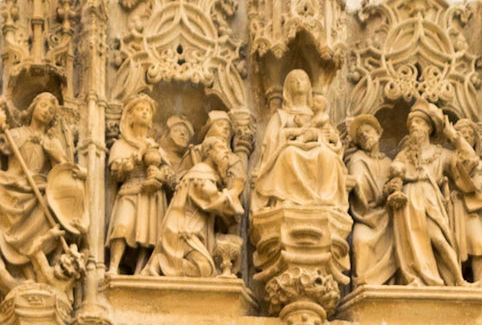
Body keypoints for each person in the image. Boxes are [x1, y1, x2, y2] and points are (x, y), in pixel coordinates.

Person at [0, 91, 85, 287]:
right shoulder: (14, 135)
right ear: (33, 107)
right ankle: (26, 275)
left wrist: (59, 157)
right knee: (13, 237)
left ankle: (40, 273)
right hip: (13, 194)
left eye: (51, 110)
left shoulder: (52, 142)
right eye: (44, 105)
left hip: (39, 192)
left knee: (51, 212)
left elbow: (64, 173)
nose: (47, 111)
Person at [148, 114, 245, 279]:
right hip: (182, 233)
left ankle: (166, 263)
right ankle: (162, 262)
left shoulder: (205, 173)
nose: (226, 154)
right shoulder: (200, 174)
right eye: (221, 149)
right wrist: (234, 191)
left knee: (206, 268)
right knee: (204, 270)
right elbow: (214, 201)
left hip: (191, 232)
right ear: (209, 152)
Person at [251, 68, 349, 222]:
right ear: (287, 88)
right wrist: (299, 132)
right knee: (289, 155)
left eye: (302, 79)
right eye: (293, 80)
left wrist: (329, 139)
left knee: (328, 156)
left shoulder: (318, 114)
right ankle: (288, 198)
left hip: (317, 148)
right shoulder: (281, 115)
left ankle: (324, 199)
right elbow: (273, 140)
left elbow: (332, 140)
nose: (298, 82)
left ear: (309, 87)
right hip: (291, 148)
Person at [387, 103, 461, 286]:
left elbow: (468, 163)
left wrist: (455, 138)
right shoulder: (405, 155)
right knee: (412, 241)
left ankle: (459, 280)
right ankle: (416, 277)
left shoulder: (440, 153)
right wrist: (393, 188)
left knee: (439, 238)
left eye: (419, 122)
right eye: (411, 123)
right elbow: (392, 179)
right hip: (409, 202)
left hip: (430, 197)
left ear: (429, 127)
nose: (414, 126)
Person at [105, 95, 169, 275]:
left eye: (148, 111)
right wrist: (133, 159)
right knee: (122, 226)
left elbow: (171, 176)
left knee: (149, 234)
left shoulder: (156, 148)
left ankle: (141, 271)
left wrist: (160, 176)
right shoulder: (121, 144)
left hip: (151, 196)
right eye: (140, 109)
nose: (145, 112)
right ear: (130, 117)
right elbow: (116, 172)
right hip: (130, 191)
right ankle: (113, 267)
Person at [345, 114, 396, 286]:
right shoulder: (357, 159)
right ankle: (363, 286)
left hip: (388, 217)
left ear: (379, 133)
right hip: (366, 217)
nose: (365, 136)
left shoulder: (390, 162)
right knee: (360, 241)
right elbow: (360, 187)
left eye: (367, 131)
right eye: (360, 135)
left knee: (399, 239)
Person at [443, 117, 482, 285]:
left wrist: (471, 188)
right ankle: (457, 280)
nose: (467, 137)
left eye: (470, 134)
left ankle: (479, 281)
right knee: (454, 243)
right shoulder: (450, 158)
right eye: (462, 134)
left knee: (476, 241)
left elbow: (478, 182)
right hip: (453, 208)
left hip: (470, 209)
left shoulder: (478, 163)